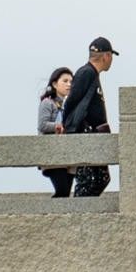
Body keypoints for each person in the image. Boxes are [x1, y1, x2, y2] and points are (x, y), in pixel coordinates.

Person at [58, 37, 118, 198]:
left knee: (100, 178)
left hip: (95, 136)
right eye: (111, 56)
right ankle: (78, 214)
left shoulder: (92, 74)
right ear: (106, 56)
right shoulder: (86, 73)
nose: (111, 60)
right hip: (86, 135)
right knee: (88, 180)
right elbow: (70, 102)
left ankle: (83, 211)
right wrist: (69, 127)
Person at [37, 66, 75, 196]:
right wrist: (58, 127)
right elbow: (42, 125)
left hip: (67, 153)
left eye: (71, 82)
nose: (69, 84)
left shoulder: (70, 104)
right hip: (52, 153)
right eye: (65, 81)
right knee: (62, 191)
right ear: (54, 83)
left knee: (65, 193)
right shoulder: (47, 103)